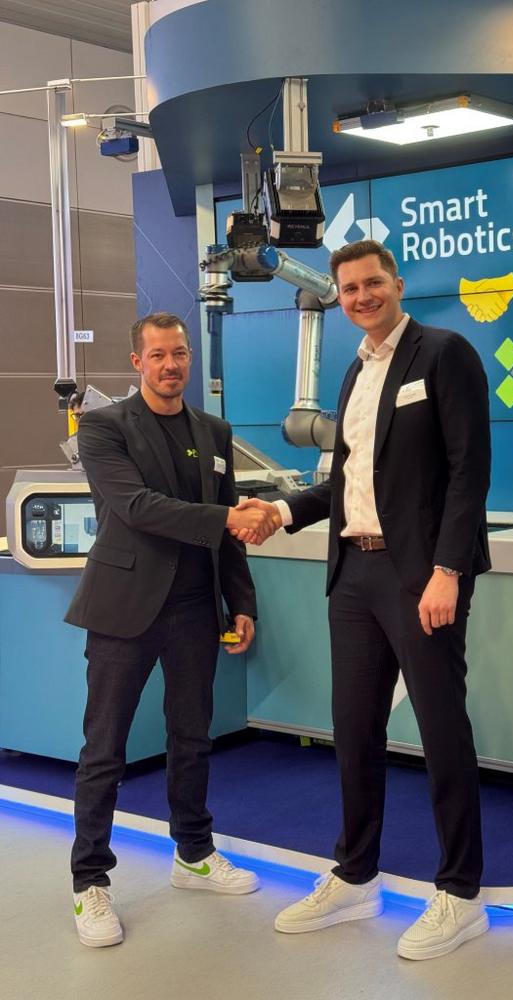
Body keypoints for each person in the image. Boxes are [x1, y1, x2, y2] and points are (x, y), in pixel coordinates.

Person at [233, 240, 492, 961]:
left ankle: (461, 891)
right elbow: (344, 480)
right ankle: (355, 875)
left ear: (397, 284)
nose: (360, 297)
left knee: (441, 729)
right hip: (353, 573)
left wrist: (448, 570)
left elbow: (470, 471)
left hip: (420, 576)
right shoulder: (354, 371)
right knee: (353, 729)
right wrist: (280, 510)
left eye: (372, 283)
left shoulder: (444, 354)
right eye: (348, 289)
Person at [65, 311, 273, 948]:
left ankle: (194, 853)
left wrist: (241, 601)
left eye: (179, 353)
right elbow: (136, 507)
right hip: (124, 609)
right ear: (137, 362)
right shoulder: (102, 427)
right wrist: (227, 518)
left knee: (192, 737)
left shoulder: (214, 431)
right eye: (157, 355)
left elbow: (226, 535)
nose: (171, 365)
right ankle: (89, 882)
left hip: (193, 610)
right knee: (105, 748)